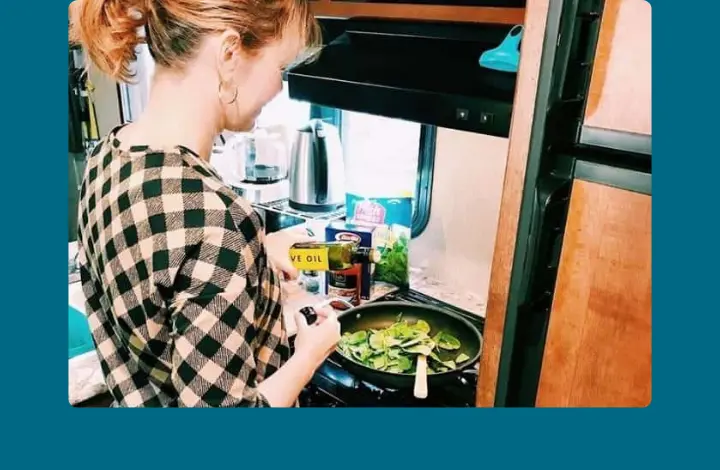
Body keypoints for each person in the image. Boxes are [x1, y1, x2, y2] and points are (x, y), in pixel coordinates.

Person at [69, 0, 340, 407]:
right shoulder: (219, 225)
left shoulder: (107, 158)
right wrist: (310, 354)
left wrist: (256, 257)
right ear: (230, 53)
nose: (277, 87)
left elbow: (159, 277)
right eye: (279, 68)